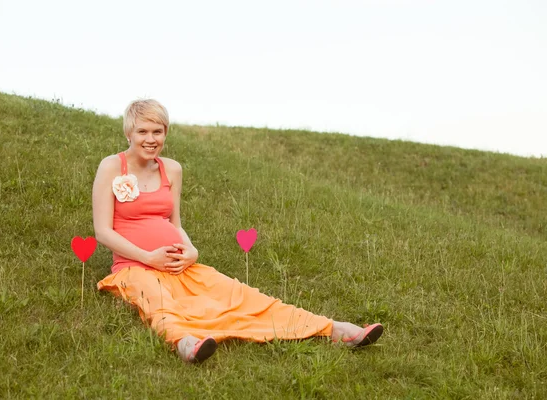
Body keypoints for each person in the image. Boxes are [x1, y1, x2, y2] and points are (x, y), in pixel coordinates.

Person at [92, 99, 383, 363]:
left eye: (158, 131)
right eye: (143, 132)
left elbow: (175, 224)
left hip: (180, 265)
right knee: (159, 303)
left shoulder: (172, 169)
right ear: (128, 133)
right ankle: (186, 343)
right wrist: (148, 257)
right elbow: (103, 231)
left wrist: (192, 251)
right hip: (134, 267)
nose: (151, 139)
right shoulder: (111, 167)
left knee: (241, 295)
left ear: (166, 133)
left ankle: (335, 329)